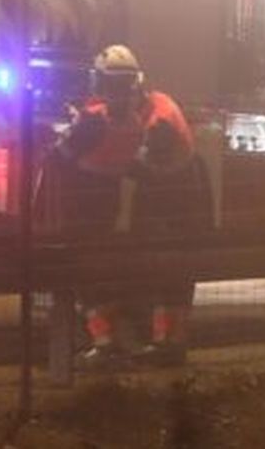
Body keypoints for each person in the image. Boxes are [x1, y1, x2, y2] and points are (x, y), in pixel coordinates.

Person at [55, 44, 211, 370]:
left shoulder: (156, 122)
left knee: (164, 277)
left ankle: (144, 346)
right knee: (162, 278)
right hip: (167, 203)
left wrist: (75, 137)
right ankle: (159, 345)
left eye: (112, 85)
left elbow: (127, 164)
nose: (109, 94)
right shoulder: (148, 108)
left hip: (173, 205)